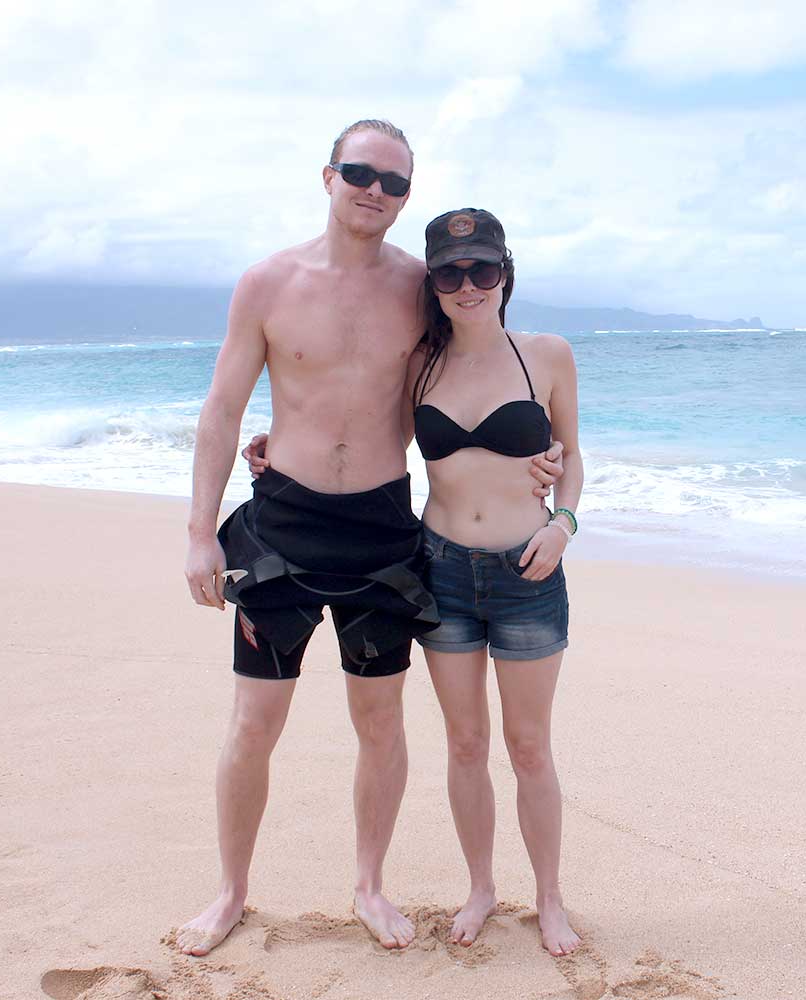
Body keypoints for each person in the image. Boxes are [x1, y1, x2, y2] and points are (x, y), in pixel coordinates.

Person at [179, 120, 561, 957]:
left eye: (394, 182)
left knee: (381, 722)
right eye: (361, 173)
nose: (375, 191)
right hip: (281, 526)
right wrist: (202, 531)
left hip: (383, 534)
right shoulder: (267, 283)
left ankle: (369, 886)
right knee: (254, 722)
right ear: (328, 176)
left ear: (407, 196)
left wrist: (543, 456)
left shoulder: (424, 287)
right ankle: (231, 892)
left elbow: (485, 368)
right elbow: (222, 408)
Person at [248, 208, 585, 956]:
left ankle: (550, 899)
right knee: (465, 743)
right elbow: (361, 426)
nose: (469, 285)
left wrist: (563, 523)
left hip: (530, 572)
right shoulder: (421, 365)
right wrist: (281, 445)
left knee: (530, 746)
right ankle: (481, 888)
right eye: (451, 273)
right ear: (433, 285)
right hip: (443, 571)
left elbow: (572, 455)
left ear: (505, 273)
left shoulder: (547, 355)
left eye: (482, 269)